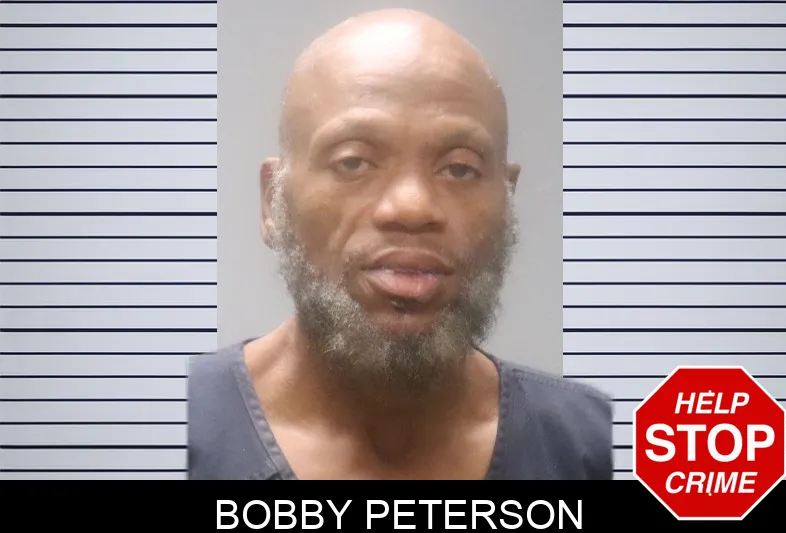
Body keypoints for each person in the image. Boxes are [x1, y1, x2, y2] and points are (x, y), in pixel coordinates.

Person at [188, 8, 613, 480]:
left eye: (460, 168)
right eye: (354, 162)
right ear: (273, 200)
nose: (412, 207)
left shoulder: (600, 449)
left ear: (507, 200)